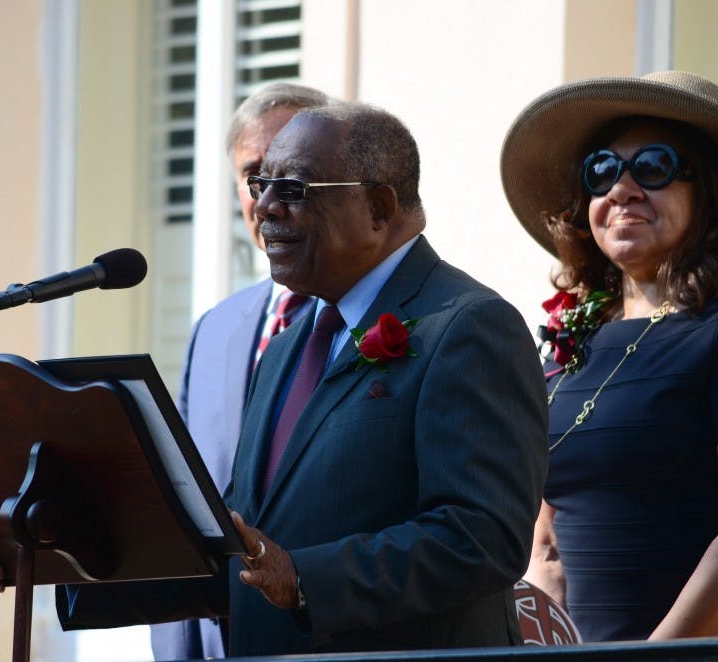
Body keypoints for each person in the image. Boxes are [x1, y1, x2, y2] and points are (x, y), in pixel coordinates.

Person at [55, 102, 548, 655]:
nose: (263, 207)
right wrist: (68, 549)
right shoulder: (288, 346)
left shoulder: (467, 326)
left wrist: (305, 580)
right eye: (261, 184)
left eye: (292, 189)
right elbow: (238, 541)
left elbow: (482, 537)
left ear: (380, 207)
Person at [500, 70, 718, 642]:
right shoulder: (573, 338)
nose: (623, 189)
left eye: (654, 167)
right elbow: (548, 546)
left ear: (710, 193)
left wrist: (657, 659)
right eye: (602, 171)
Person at [150, 82, 327, 661]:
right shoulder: (215, 330)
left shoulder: (394, 319)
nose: (270, 196)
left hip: (329, 634)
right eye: (255, 175)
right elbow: (175, 489)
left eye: (291, 172)